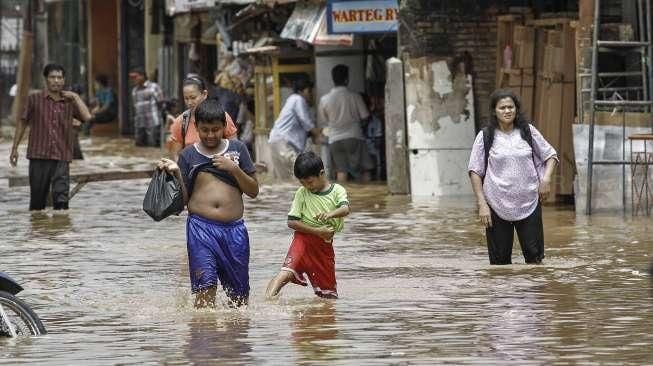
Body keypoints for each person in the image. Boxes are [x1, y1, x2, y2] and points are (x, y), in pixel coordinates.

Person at [157, 99, 258, 308]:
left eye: (215, 130)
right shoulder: (188, 155)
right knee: (205, 289)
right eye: (205, 130)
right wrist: (175, 174)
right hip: (200, 229)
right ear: (196, 128)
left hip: (234, 231)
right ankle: (203, 337)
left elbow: (253, 191)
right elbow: (183, 201)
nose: (210, 135)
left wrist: (233, 168)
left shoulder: (238, 150)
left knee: (239, 299)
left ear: (224, 127)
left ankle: (236, 339)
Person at [467, 89, 558, 265]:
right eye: (502, 108)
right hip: (496, 205)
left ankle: (534, 290)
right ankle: (504, 293)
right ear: (494, 111)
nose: (507, 111)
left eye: (511, 107)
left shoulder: (528, 132)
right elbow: (475, 171)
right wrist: (482, 204)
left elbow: (551, 155)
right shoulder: (485, 136)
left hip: (529, 203)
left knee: (535, 260)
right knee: (500, 264)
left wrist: (546, 180)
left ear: (516, 109)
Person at [265, 151, 350, 300]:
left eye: (309, 182)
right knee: (285, 272)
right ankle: (267, 302)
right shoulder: (302, 193)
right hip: (303, 241)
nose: (306, 186)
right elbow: (291, 222)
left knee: (329, 296)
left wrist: (330, 214)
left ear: (321, 173)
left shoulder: (337, 190)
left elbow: (345, 209)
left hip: (324, 247)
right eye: (302, 183)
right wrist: (317, 231)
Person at [9, 63, 91, 210]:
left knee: (62, 203)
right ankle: (41, 231)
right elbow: (22, 123)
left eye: (59, 77)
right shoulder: (34, 99)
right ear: (46, 79)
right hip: (39, 156)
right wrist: (14, 148)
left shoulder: (70, 101)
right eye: (52, 77)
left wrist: (77, 97)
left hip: (61, 156)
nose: (56, 81)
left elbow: (87, 117)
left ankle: (59, 231)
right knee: (37, 205)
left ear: (64, 80)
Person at [318, 64, 374, 183]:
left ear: (333, 79)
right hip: (354, 137)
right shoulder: (355, 96)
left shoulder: (324, 99)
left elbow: (324, 122)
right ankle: (366, 198)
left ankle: (342, 200)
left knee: (341, 171)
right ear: (347, 79)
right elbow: (365, 116)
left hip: (335, 140)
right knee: (365, 170)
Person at [168, 76, 238, 157]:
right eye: (186, 99)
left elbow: (235, 149)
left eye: (193, 98)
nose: (189, 102)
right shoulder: (181, 122)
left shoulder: (222, 116)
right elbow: (176, 155)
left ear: (204, 94)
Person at [268, 78, 321, 180]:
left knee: (283, 180)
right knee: (298, 177)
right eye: (309, 91)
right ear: (301, 91)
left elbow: (302, 126)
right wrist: (318, 132)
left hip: (277, 141)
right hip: (284, 144)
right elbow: (305, 121)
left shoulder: (292, 100)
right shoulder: (298, 99)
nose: (311, 95)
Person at [130, 68, 162, 147]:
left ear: (142, 76)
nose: (134, 79)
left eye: (135, 77)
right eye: (132, 78)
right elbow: (135, 106)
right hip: (140, 123)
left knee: (154, 145)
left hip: (153, 122)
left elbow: (160, 102)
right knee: (139, 146)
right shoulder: (134, 90)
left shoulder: (154, 87)